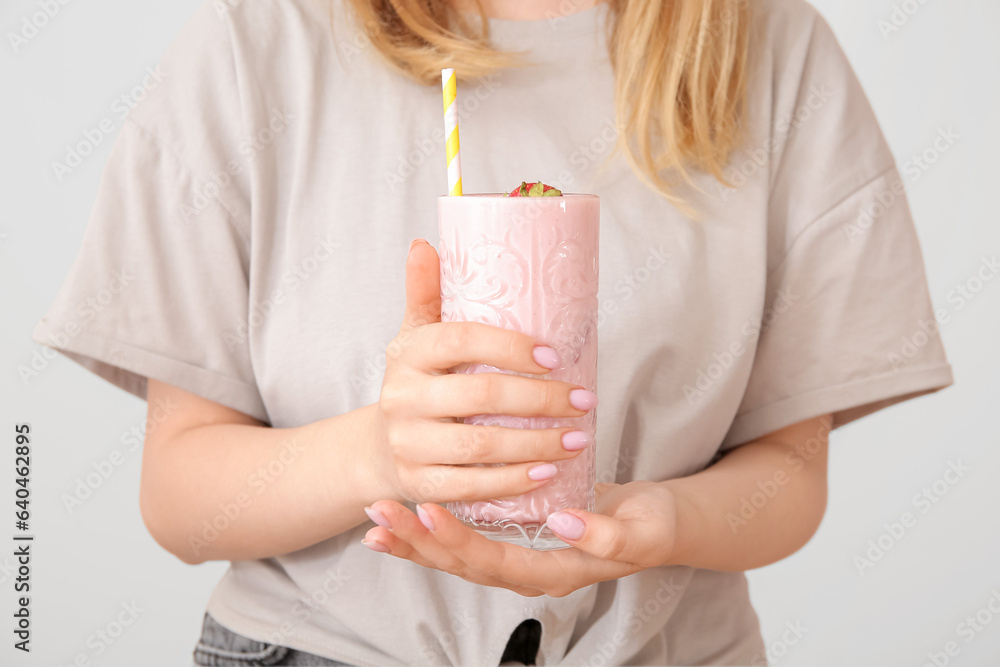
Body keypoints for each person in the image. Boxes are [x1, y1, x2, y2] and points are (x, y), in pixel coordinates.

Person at [33, 0, 954, 664]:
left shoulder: (769, 46)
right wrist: (379, 452)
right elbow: (180, 496)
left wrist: (664, 522)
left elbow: (789, 476)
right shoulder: (255, 42)